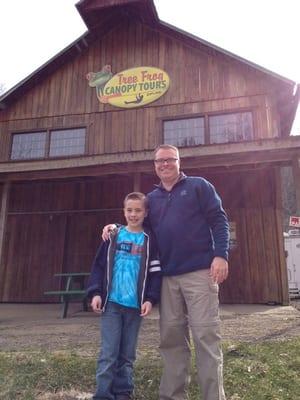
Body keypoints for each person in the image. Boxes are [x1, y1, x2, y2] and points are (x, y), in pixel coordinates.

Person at [102, 144, 229, 400]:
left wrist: (220, 255)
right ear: (155, 166)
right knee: (171, 340)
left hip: (200, 273)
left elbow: (219, 219)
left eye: (170, 159)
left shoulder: (199, 186)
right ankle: (172, 396)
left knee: (205, 336)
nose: (164, 164)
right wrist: (116, 226)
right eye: (159, 161)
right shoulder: (152, 199)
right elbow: (138, 225)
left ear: (179, 161)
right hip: (167, 278)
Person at [87, 191, 161, 400]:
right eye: (129, 210)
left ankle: (123, 392)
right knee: (109, 353)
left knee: (127, 355)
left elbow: (155, 273)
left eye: (138, 210)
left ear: (145, 213)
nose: (133, 214)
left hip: (135, 307)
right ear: (123, 211)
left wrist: (150, 298)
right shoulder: (113, 236)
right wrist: (95, 293)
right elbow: (99, 266)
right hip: (111, 304)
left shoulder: (149, 240)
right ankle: (103, 394)